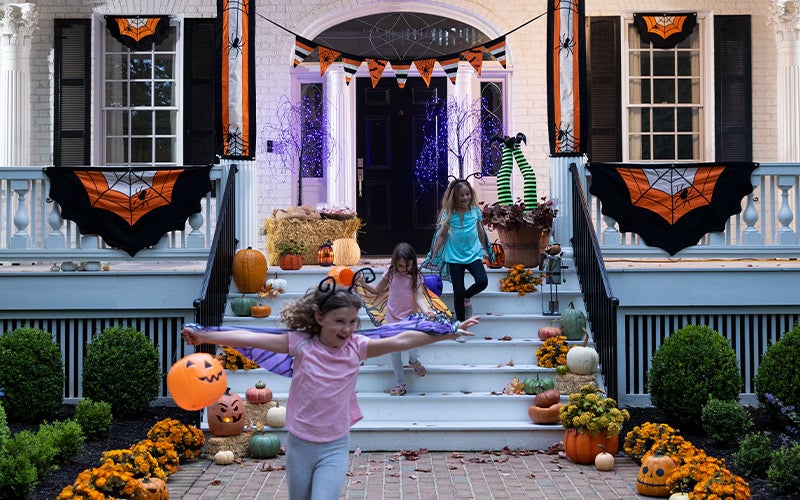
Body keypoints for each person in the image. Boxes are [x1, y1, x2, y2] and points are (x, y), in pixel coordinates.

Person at [181, 277, 479, 500]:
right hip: (299, 444)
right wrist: (206, 334)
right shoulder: (301, 345)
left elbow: (402, 340)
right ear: (320, 318)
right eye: (339, 321)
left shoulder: (357, 347)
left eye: (352, 322)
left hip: (334, 447)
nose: (347, 329)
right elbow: (250, 336)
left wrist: (448, 332)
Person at [357, 242, 433, 396]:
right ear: (394, 264)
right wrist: (363, 283)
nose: (404, 269)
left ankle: (413, 360)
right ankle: (400, 383)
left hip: (409, 319)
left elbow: (419, 297)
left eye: (408, 266)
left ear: (413, 262)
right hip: (392, 319)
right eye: (400, 266)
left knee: (414, 342)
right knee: (394, 353)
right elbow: (378, 290)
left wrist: (426, 310)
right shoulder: (391, 273)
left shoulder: (416, 277)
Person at [429, 178, 492, 321]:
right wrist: (434, 253)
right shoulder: (450, 214)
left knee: (482, 281)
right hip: (454, 257)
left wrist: (487, 249)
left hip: (473, 255)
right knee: (457, 291)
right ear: (455, 197)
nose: (465, 198)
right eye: (462, 195)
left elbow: (481, 232)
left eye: (467, 194)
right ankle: (460, 324)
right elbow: (442, 235)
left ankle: (466, 296)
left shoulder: (475, 211)